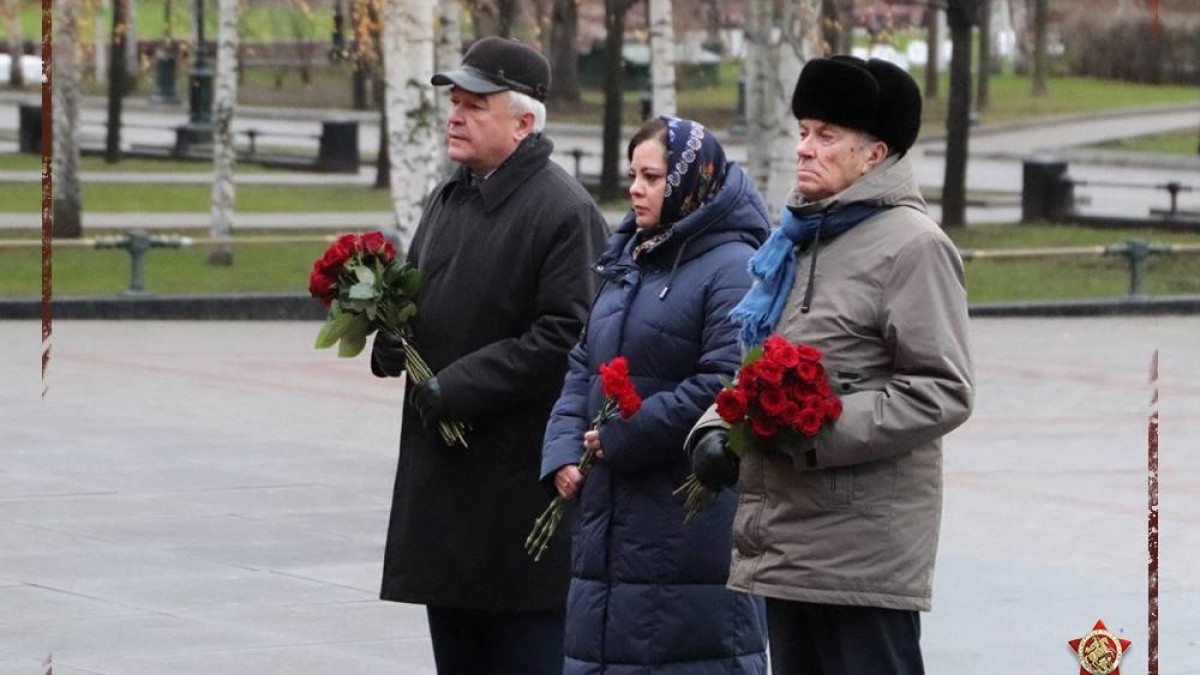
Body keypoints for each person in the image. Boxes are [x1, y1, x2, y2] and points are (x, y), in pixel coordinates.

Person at [686, 56, 976, 675]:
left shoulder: (913, 245)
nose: (804, 148)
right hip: (788, 541)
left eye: (826, 135)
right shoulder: (800, 236)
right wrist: (717, 426)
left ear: (874, 155)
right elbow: (764, 361)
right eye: (803, 131)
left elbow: (943, 389)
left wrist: (812, 428)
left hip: (862, 553)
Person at [369, 36, 609, 675]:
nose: (455, 116)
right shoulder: (450, 195)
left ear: (524, 123)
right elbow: (425, 295)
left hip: (515, 493)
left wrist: (461, 384)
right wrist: (395, 339)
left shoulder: (563, 210)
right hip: (447, 493)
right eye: (455, 102)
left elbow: (569, 335)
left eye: (475, 105)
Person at [541, 115, 771, 674]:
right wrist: (564, 448)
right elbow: (583, 361)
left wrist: (623, 436)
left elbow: (725, 382)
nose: (636, 190)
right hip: (608, 519)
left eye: (652, 177)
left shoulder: (732, 266)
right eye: (632, 176)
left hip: (684, 524)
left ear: (692, 179)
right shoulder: (630, 256)